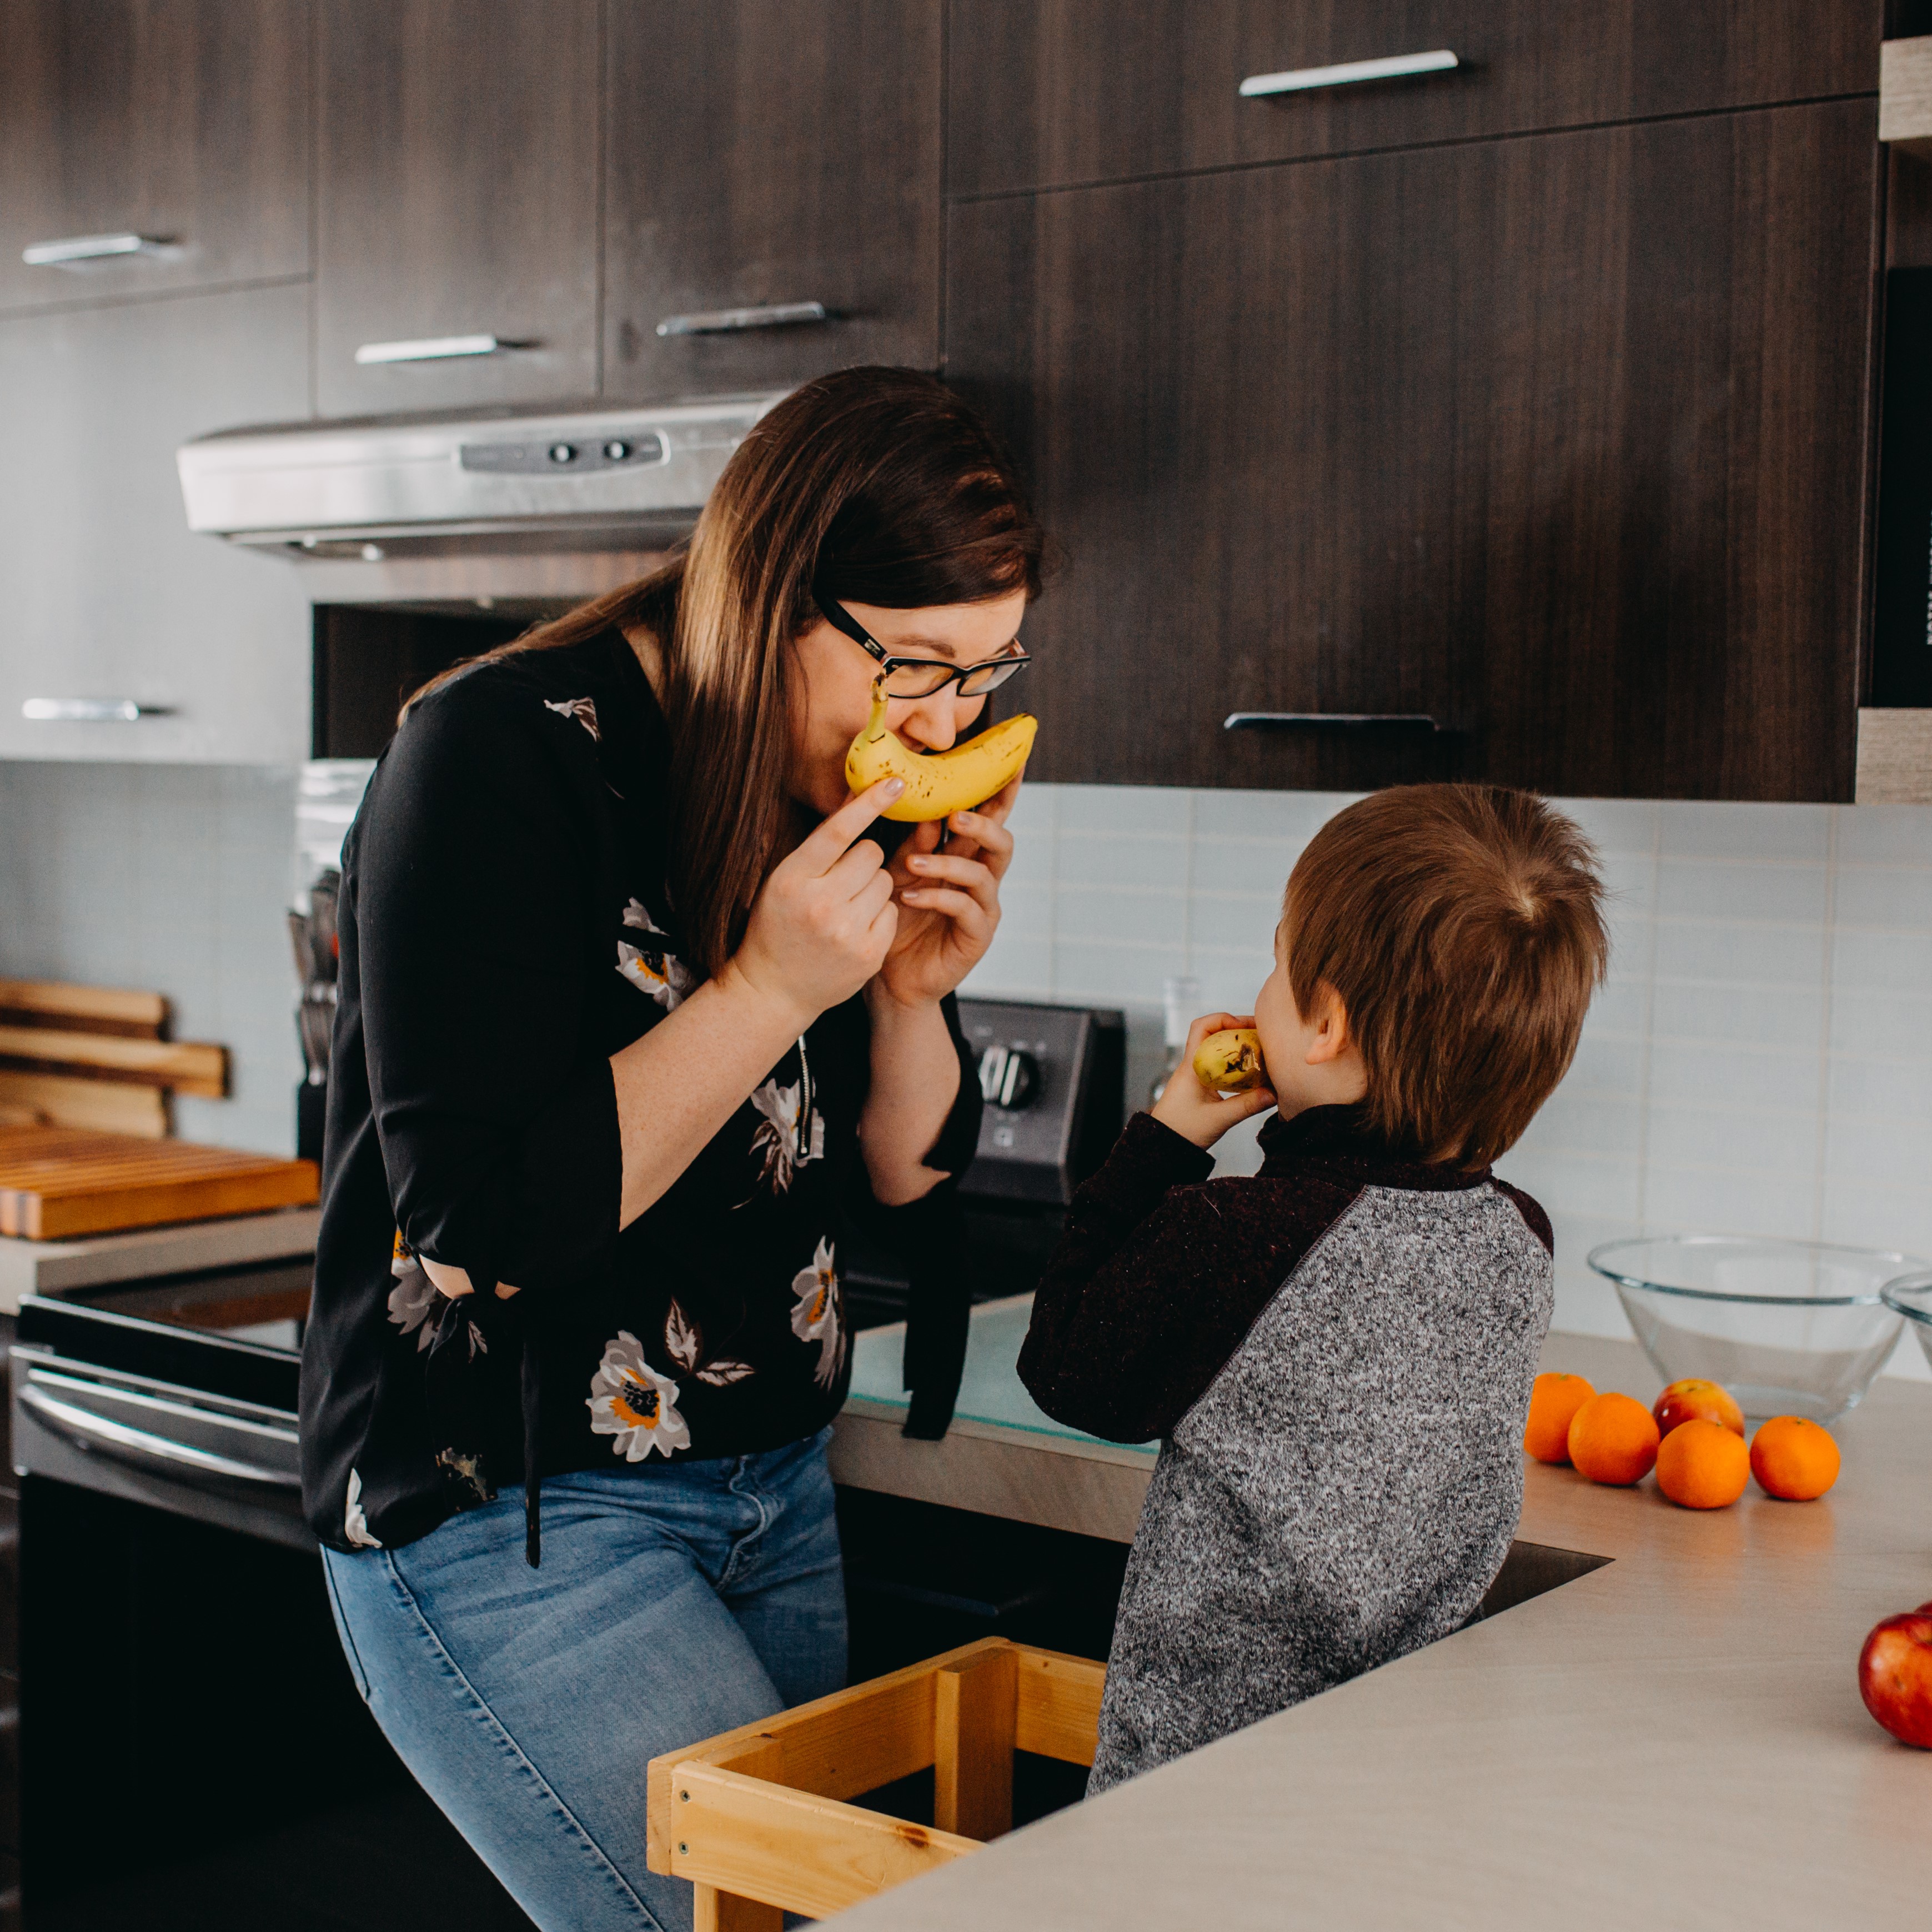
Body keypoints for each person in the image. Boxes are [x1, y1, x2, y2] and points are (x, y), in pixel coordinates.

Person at [301, 367, 1043, 1930]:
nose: (946, 721)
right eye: (915, 666)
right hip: (522, 1513)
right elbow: (477, 1225)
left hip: (776, 1487)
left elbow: (903, 1177)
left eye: (985, 675)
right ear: (777, 597)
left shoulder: (795, 766)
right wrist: (769, 984)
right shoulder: (494, 754)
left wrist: (910, 1000)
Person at [1017, 784, 1608, 1793]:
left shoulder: (1237, 1235)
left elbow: (1068, 1368)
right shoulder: (1520, 1238)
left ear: (1325, 1020)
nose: (1264, 991)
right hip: (1405, 1765)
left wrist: (1167, 1137)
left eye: (1282, 964)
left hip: (1203, 1782)